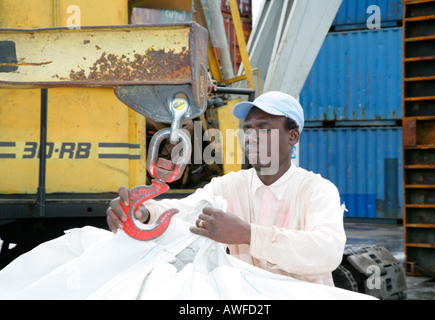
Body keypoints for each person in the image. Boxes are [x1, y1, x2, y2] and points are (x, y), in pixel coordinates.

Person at [106, 91, 347, 286]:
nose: (251, 137)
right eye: (247, 129)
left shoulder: (316, 190)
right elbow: (186, 209)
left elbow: (328, 251)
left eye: (263, 129)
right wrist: (144, 213)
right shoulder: (230, 185)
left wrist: (247, 235)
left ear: (292, 136)